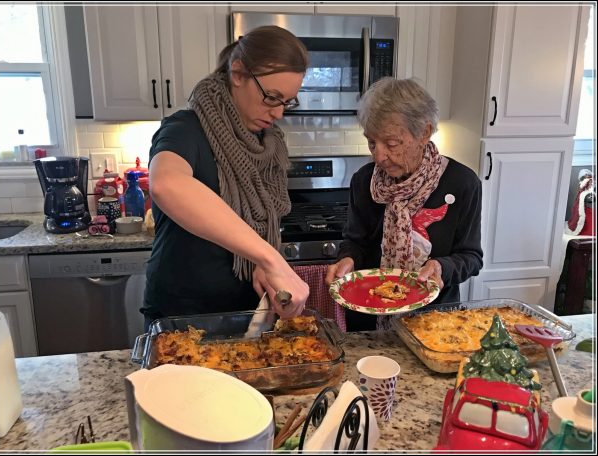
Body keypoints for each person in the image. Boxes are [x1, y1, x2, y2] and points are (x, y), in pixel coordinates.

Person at [143, 26, 310, 329]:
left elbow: (261, 221)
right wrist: (271, 258)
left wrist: (261, 264)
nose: (279, 114)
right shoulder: (185, 129)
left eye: (287, 102)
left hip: (248, 315)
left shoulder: (269, 144)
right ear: (238, 74)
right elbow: (166, 184)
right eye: (271, 97)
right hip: (184, 318)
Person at [325, 78, 483, 331]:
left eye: (391, 143)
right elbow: (356, 242)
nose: (379, 156)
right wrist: (348, 259)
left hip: (434, 322)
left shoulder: (462, 183)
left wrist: (441, 266)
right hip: (369, 319)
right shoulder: (364, 181)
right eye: (372, 142)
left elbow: (471, 257)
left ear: (424, 133)